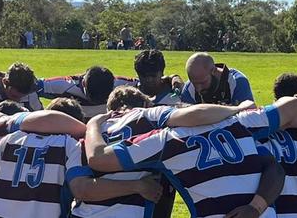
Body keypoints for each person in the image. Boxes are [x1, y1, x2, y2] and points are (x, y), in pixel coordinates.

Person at [84, 99, 297, 217]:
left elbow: (98, 158)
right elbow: (293, 105)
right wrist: (236, 109)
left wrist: (93, 125)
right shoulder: (239, 122)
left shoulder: (165, 140)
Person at [73, 86, 261, 218]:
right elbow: (197, 115)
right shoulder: (148, 116)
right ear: (144, 105)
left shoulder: (87, 137)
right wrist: (236, 109)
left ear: (109, 110)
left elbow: (82, 189)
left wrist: (92, 126)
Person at [36, 66, 138, 119]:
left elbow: (144, 83)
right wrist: (36, 109)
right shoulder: (64, 85)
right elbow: (30, 84)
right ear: (83, 84)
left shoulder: (122, 85)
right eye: (92, 96)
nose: (96, 102)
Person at [181, 52, 253, 105]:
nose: (198, 89)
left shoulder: (237, 82)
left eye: (203, 83)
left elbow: (247, 118)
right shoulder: (189, 88)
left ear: (214, 71)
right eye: (194, 84)